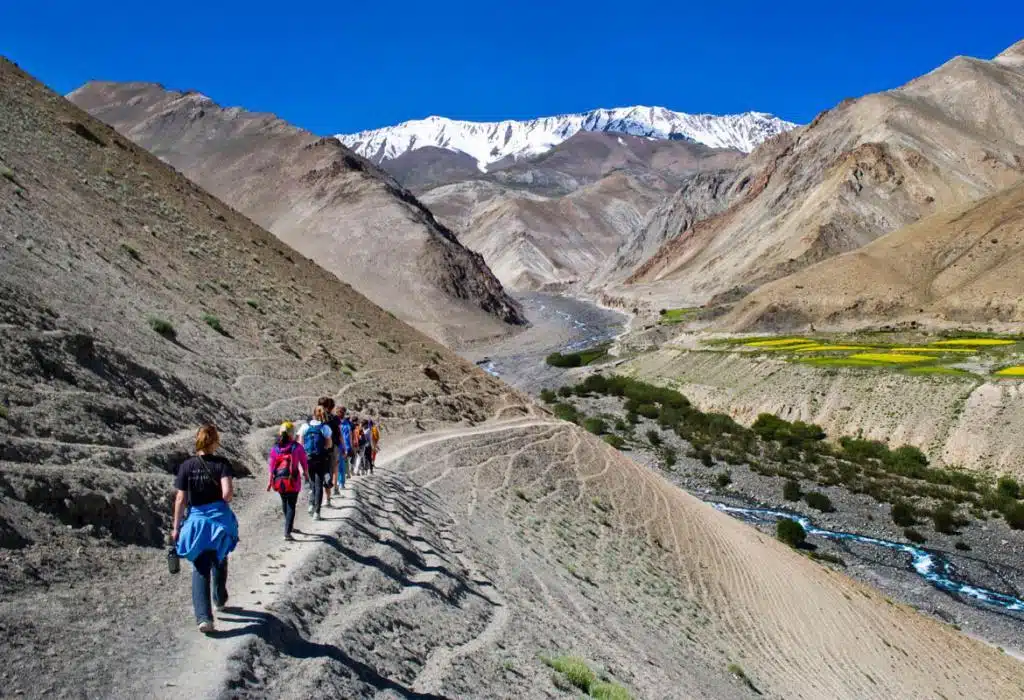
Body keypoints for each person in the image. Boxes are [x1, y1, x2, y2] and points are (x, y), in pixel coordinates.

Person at [172, 424, 238, 634]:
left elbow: (180, 499)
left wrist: (176, 527)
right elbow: (227, 494)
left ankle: (204, 618)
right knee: (220, 556)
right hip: (219, 520)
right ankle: (219, 598)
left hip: (197, 522)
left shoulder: (186, 466)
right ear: (215, 442)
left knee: (201, 566)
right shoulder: (222, 464)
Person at [267, 421, 308, 541]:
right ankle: (287, 532)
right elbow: (304, 463)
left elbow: (271, 467)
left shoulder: (275, 448)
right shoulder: (297, 447)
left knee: (285, 503)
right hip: (293, 480)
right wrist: (306, 475)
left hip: (279, 481)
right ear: (292, 433)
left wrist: (270, 482)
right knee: (291, 505)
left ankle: (289, 526)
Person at [297, 405, 333, 520]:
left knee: (312, 482)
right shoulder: (325, 427)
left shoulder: (304, 426)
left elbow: (300, 444)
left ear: (313, 414)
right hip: (320, 459)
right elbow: (329, 445)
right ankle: (317, 512)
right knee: (319, 485)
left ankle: (311, 505)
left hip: (308, 458)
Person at [322, 397, 342, 507]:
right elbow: (339, 433)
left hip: (318, 448)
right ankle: (332, 491)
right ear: (332, 407)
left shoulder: (316, 417)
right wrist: (343, 446)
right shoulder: (334, 418)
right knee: (332, 468)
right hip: (332, 447)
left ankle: (315, 499)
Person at [336, 405, 353, 489]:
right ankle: (340, 482)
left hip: (340, 446)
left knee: (340, 465)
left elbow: (349, 435)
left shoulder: (339, 422)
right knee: (341, 465)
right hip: (342, 446)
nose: (342, 413)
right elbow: (349, 436)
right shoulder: (346, 423)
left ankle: (340, 482)